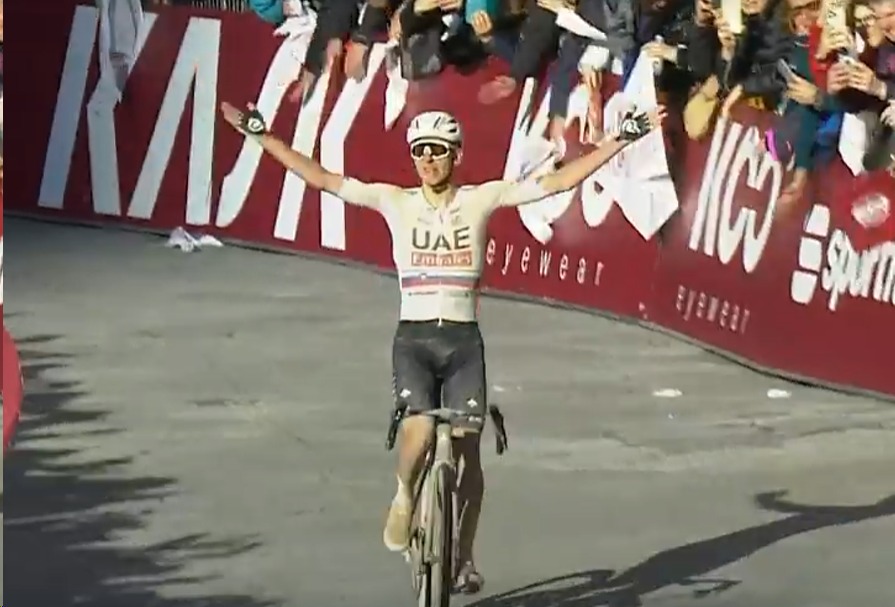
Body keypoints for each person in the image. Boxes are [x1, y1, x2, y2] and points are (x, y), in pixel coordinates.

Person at [219, 100, 665, 593]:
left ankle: (464, 557)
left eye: (437, 151)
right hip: (413, 339)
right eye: (420, 152)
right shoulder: (395, 200)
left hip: (462, 343)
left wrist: (621, 137)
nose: (428, 160)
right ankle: (405, 494)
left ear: (455, 154)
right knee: (419, 430)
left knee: (470, 455)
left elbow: (558, 182)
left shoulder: (482, 197)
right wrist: (263, 137)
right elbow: (322, 178)